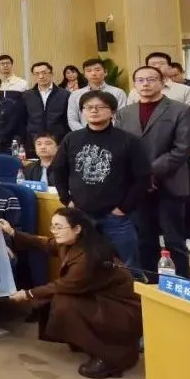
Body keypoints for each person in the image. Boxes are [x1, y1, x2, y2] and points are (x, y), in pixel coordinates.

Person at [0, 208, 142, 379]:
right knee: (61, 301)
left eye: (59, 227)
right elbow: (45, 243)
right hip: (101, 300)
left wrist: (27, 294)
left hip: (120, 308)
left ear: (77, 228)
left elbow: (63, 286)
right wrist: (13, 232)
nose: (54, 231)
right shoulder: (73, 243)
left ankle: (111, 358)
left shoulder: (88, 257)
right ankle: (86, 342)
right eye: (53, 227)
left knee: (64, 304)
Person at [54, 91, 149, 273]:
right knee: (83, 264)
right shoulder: (71, 139)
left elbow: (142, 178)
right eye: (88, 107)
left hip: (116, 216)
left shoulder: (128, 140)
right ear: (82, 112)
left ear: (112, 112)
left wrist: (123, 208)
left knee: (129, 266)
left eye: (100, 107)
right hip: (81, 214)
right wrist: (67, 200)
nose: (94, 111)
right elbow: (58, 171)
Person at [118, 66, 190, 279]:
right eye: (140, 80)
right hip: (138, 188)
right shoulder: (125, 113)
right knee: (144, 239)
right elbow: (121, 148)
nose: (145, 84)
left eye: (151, 79)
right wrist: (138, 176)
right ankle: (152, 285)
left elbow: (182, 149)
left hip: (170, 183)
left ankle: (181, 285)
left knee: (174, 240)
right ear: (135, 84)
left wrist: (148, 173)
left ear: (162, 82)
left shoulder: (181, 110)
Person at [125, 52, 190, 118]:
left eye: (161, 64)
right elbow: (128, 117)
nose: (157, 66)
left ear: (169, 68)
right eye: (153, 64)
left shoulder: (186, 90)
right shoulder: (135, 92)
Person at [22, 62, 70, 157]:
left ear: (51, 73)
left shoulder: (65, 95)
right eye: (37, 74)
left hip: (58, 141)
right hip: (33, 142)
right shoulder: (26, 95)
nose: (41, 76)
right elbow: (23, 120)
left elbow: (67, 120)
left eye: (44, 73)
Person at [66, 58, 128, 131]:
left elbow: (121, 118)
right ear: (84, 75)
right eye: (89, 71)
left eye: (97, 70)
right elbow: (72, 119)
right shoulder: (75, 95)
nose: (93, 73)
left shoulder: (118, 93)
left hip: (111, 134)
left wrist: (109, 132)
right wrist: (87, 133)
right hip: (84, 135)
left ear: (105, 72)